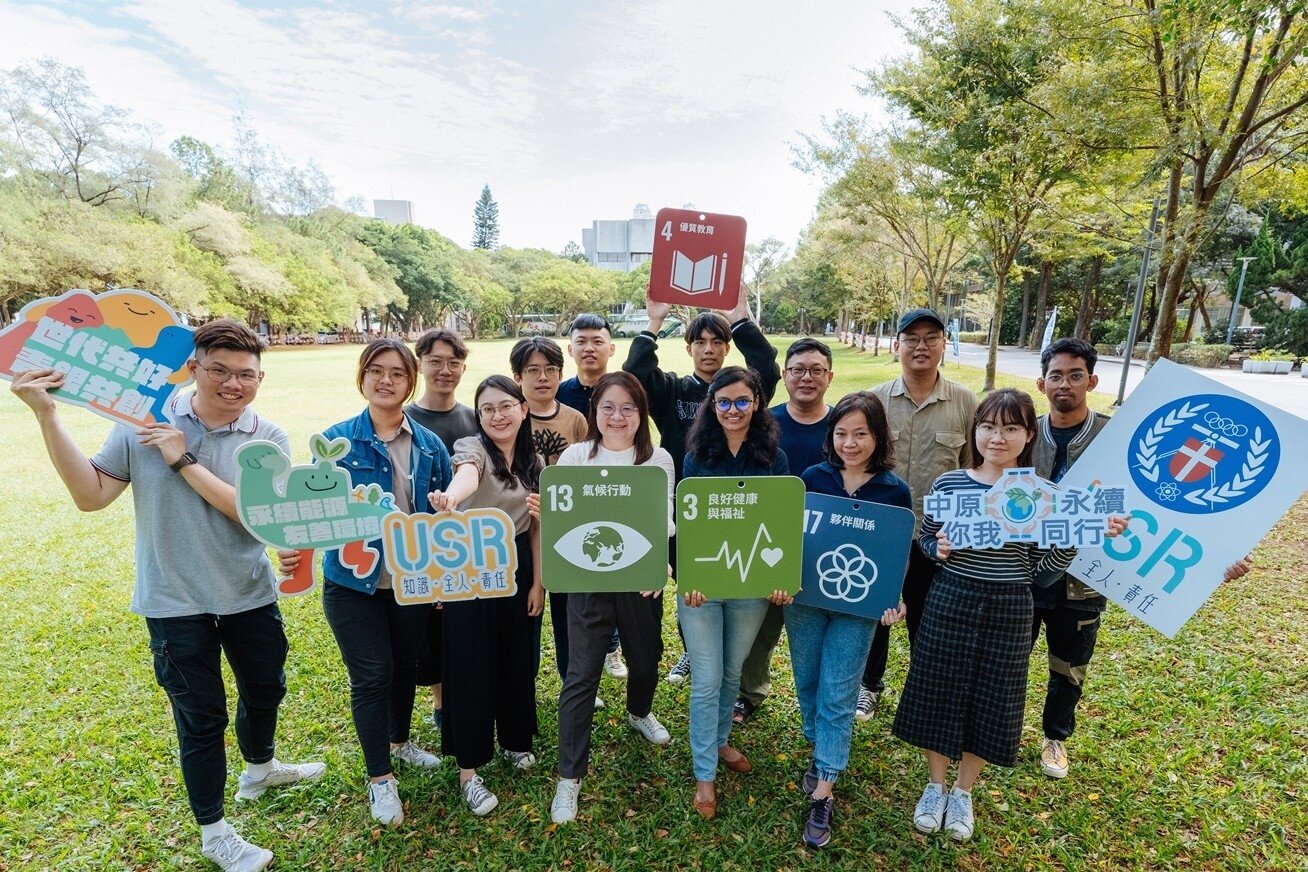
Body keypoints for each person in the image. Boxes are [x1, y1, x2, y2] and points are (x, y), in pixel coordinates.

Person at [9, 318, 324, 872]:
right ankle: (215, 833)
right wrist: (47, 414)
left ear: (261, 377)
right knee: (201, 717)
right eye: (219, 371)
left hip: (250, 593)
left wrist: (182, 459)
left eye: (246, 375)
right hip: (174, 602)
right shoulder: (140, 424)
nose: (233, 384)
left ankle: (260, 768)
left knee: (267, 689)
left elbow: (258, 519)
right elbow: (91, 495)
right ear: (193, 368)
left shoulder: (266, 436)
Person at [892, 388, 1127, 842]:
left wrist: (1076, 536)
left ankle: (964, 791)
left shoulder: (1043, 495)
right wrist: (936, 549)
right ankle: (935, 785)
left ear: (1028, 435)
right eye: (988, 427)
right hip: (951, 597)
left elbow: (1040, 574)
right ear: (975, 430)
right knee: (939, 687)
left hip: (1011, 605)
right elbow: (925, 542)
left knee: (994, 694)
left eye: (1010, 428)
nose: (997, 437)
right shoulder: (950, 484)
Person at [1028, 338, 1252, 780]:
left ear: (1092, 380)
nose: (1065, 385)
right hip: (1028, 571)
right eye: (1056, 376)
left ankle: (1055, 738)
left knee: (1069, 663)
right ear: (1041, 383)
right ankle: (997, 727)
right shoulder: (1025, 435)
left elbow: (1176, 503)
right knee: (1010, 655)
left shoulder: (1122, 438)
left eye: (1076, 375)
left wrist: (1222, 558)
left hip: (1089, 577)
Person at [277, 340, 451, 827]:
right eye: (376, 370)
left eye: (397, 373)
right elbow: (308, 510)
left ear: (410, 382)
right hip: (353, 583)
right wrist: (295, 547)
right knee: (372, 674)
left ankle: (400, 741)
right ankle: (381, 780)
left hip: (411, 580)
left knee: (401, 666)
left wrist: (438, 580)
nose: (386, 380)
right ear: (362, 376)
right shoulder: (335, 442)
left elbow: (434, 520)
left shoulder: (430, 446)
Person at [531, 372, 677, 824]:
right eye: (608, 407)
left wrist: (661, 565)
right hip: (587, 582)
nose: (617, 416)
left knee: (646, 657)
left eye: (628, 408)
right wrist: (547, 510)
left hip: (639, 580)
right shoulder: (576, 455)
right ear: (595, 412)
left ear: (641, 414)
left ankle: (639, 712)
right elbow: (563, 523)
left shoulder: (658, 459)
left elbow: (665, 521)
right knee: (581, 673)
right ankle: (569, 779)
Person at [623, 294, 780, 683]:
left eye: (717, 342)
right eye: (700, 343)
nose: (708, 350)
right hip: (681, 505)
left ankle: (731, 660)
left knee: (733, 571)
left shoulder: (743, 393)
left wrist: (741, 320)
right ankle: (695, 651)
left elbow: (767, 369)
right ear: (689, 347)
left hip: (735, 503)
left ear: (727, 348)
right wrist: (653, 323)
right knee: (689, 578)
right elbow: (634, 377)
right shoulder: (673, 391)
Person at [788, 391, 911, 848]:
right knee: (809, 684)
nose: (850, 443)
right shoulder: (812, 478)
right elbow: (791, 540)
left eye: (861, 434)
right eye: (841, 433)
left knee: (839, 691)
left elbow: (896, 555)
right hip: (805, 602)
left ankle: (824, 788)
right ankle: (821, 752)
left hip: (858, 607)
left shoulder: (894, 489)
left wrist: (894, 599)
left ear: (878, 436)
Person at [678, 366, 792, 819]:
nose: (732, 410)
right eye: (722, 402)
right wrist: (690, 577)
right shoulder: (697, 455)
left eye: (742, 401)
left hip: (751, 585)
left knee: (730, 673)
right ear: (711, 405)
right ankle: (704, 772)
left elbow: (780, 522)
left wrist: (780, 577)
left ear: (757, 403)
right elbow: (690, 524)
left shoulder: (773, 456)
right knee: (706, 679)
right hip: (703, 587)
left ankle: (721, 740)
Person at [428, 376, 545, 816]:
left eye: (504, 406)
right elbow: (466, 476)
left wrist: (538, 582)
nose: (496, 416)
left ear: (523, 409)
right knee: (469, 662)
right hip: (470, 563)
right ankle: (470, 771)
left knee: (517, 656)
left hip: (516, 563)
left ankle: (516, 741)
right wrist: (450, 499)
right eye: (486, 410)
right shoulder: (472, 448)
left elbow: (536, 525)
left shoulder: (535, 462)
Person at [859, 308, 978, 720]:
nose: (921, 346)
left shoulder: (966, 402)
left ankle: (924, 691)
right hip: (881, 531)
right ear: (897, 347)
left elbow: (974, 468)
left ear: (944, 345)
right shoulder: (874, 400)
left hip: (937, 536)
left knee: (930, 617)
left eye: (931, 338)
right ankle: (868, 686)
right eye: (911, 339)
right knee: (875, 611)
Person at [735, 338, 835, 725]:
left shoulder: (841, 425)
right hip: (769, 543)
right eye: (797, 370)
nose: (806, 378)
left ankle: (824, 704)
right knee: (760, 628)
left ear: (829, 376)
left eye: (815, 370)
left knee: (819, 632)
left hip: (825, 544)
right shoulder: (764, 424)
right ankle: (749, 692)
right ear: (785, 375)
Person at [510, 336, 593, 699]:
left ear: (561, 373)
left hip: (568, 531)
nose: (542, 377)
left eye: (551, 369)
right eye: (532, 370)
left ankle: (570, 680)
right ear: (518, 377)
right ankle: (521, 686)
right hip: (522, 532)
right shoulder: (510, 417)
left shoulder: (575, 420)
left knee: (569, 616)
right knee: (526, 612)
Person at [405, 328, 479, 732]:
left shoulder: (473, 418)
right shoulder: (406, 419)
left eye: (453, 363)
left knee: (464, 625)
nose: (444, 370)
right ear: (420, 365)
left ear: (463, 368)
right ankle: (439, 701)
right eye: (435, 362)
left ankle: (465, 695)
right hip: (422, 542)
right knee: (430, 631)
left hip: (471, 543)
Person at [557, 313, 628, 682]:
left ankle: (613, 649)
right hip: (573, 498)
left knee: (618, 566)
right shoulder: (560, 392)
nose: (589, 348)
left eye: (597, 341)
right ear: (570, 349)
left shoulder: (625, 392)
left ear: (611, 348)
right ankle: (582, 664)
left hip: (617, 494)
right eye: (581, 341)